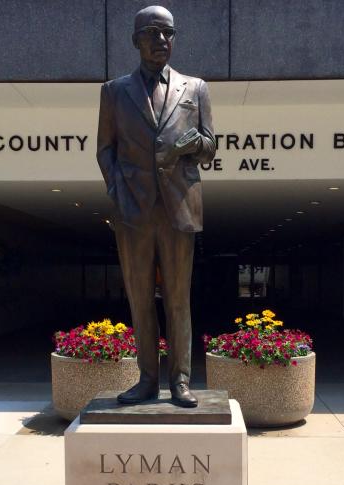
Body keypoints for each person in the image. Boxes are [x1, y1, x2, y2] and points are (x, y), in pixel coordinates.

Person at [96, 5, 216, 407]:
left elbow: (210, 146)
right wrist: (118, 190)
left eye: (168, 33)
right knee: (139, 298)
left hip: (179, 207)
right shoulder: (114, 91)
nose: (162, 41)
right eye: (152, 33)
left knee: (179, 299)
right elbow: (105, 149)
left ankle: (180, 381)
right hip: (133, 210)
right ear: (136, 40)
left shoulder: (195, 87)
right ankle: (148, 380)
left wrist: (195, 143)